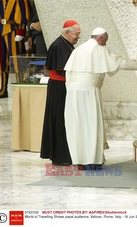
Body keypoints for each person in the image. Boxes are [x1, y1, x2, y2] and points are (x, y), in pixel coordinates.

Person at [63, 27, 137, 167]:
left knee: (77, 125)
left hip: (73, 92)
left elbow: (68, 74)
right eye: (105, 39)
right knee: (91, 124)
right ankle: (92, 161)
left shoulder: (78, 50)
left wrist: (70, 91)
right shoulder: (98, 49)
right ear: (100, 38)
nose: (106, 42)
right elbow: (120, 62)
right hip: (89, 91)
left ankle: (79, 160)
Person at [40, 20, 81, 166]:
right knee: (59, 120)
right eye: (77, 34)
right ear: (68, 32)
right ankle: (60, 156)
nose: (78, 37)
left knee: (64, 120)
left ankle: (64, 154)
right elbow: (60, 70)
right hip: (59, 87)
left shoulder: (66, 44)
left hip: (62, 86)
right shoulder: (58, 45)